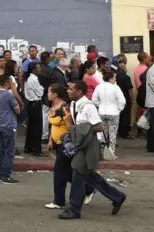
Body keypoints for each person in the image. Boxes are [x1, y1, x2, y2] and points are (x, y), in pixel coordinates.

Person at [58, 80, 126, 220]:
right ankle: (117, 197)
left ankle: (74, 209)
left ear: (80, 91)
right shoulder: (73, 104)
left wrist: (78, 129)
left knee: (78, 174)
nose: (68, 91)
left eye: (71, 89)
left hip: (88, 145)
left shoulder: (88, 107)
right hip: (80, 143)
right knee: (89, 175)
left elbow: (99, 127)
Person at [45, 83, 95, 209]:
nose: (48, 94)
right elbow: (53, 125)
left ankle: (59, 201)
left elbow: (70, 127)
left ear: (55, 94)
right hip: (56, 143)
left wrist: (72, 144)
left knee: (59, 173)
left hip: (65, 145)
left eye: (49, 92)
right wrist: (50, 140)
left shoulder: (64, 108)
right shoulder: (53, 106)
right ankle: (88, 188)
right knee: (67, 173)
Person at [0, 74, 21, 184]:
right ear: (6, 83)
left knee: (1, 150)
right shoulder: (8, 95)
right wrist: (14, 91)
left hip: (0, 124)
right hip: (8, 125)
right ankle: (6, 176)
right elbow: (18, 110)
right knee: (9, 152)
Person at [92, 70, 126, 154]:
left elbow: (94, 99)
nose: (115, 79)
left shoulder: (99, 87)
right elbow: (122, 101)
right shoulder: (115, 87)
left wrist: (100, 105)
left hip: (102, 112)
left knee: (103, 133)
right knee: (113, 133)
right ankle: (111, 152)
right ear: (110, 78)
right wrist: (119, 109)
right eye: (114, 77)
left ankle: (103, 151)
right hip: (113, 112)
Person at [24, 62, 44, 156]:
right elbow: (40, 92)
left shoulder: (29, 78)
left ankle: (28, 147)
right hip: (35, 103)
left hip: (31, 104)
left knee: (31, 127)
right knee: (37, 128)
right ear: (34, 70)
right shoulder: (34, 79)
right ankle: (37, 150)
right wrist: (42, 88)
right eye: (38, 68)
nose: (40, 70)